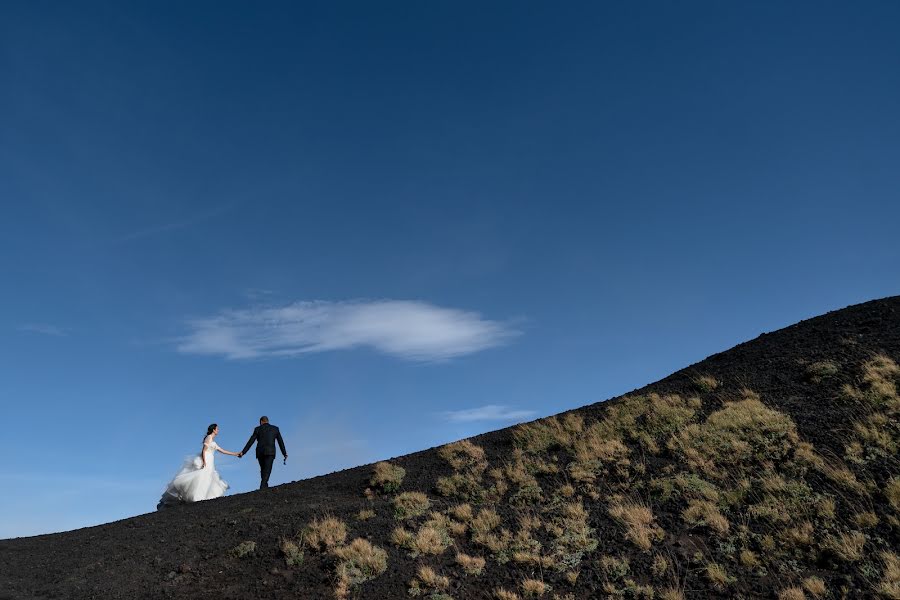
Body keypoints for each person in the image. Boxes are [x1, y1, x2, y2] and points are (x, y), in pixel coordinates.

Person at [158, 423, 240, 509]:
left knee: (207, 478)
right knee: (201, 477)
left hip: (210, 460)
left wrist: (235, 454)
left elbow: (222, 451)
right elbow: (203, 451)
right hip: (207, 459)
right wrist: (204, 461)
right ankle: (196, 497)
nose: (218, 430)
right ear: (213, 430)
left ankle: (202, 497)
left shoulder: (213, 441)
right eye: (217, 429)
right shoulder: (209, 437)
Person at [238, 416, 287, 489]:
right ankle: (262, 487)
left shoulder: (257, 429)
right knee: (267, 470)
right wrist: (284, 453)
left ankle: (264, 488)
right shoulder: (275, 429)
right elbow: (281, 442)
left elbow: (251, 441)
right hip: (270, 452)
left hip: (260, 452)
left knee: (263, 470)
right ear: (267, 421)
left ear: (261, 422)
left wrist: (243, 452)